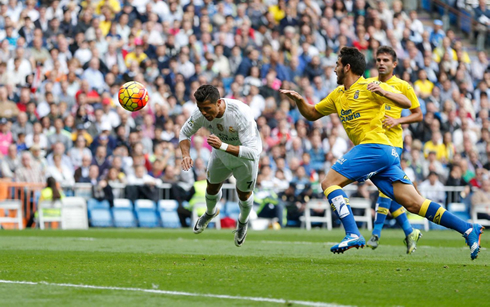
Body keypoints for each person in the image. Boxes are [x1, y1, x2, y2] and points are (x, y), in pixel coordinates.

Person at [281, 47, 483, 259]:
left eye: (337, 65)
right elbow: (312, 114)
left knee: (328, 183)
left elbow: (407, 103)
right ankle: (469, 229)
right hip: (382, 154)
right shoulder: (337, 95)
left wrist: (383, 91)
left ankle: (352, 233)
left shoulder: (369, 86)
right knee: (414, 203)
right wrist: (299, 101)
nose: (334, 69)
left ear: (347, 67)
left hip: (375, 147)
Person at [179, 85, 262, 247]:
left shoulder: (241, 113)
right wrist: (186, 154)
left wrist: (222, 145)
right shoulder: (200, 113)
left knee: (244, 195)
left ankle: (243, 222)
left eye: (207, 108)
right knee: (211, 187)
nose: (203, 113)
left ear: (218, 103)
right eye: (200, 108)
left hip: (244, 159)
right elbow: (184, 133)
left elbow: (253, 152)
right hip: (221, 154)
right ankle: (210, 213)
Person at [365, 46, 424, 253]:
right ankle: (409, 231)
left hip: (393, 143)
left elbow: (418, 114)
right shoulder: (370, 83)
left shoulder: (402, 86)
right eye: (378, 59)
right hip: (373, 142)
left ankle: (376, 234)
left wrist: (398, 120)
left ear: (394, 64)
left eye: (385, 60)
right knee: (390, 191)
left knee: (385, 189)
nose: (381, 63)